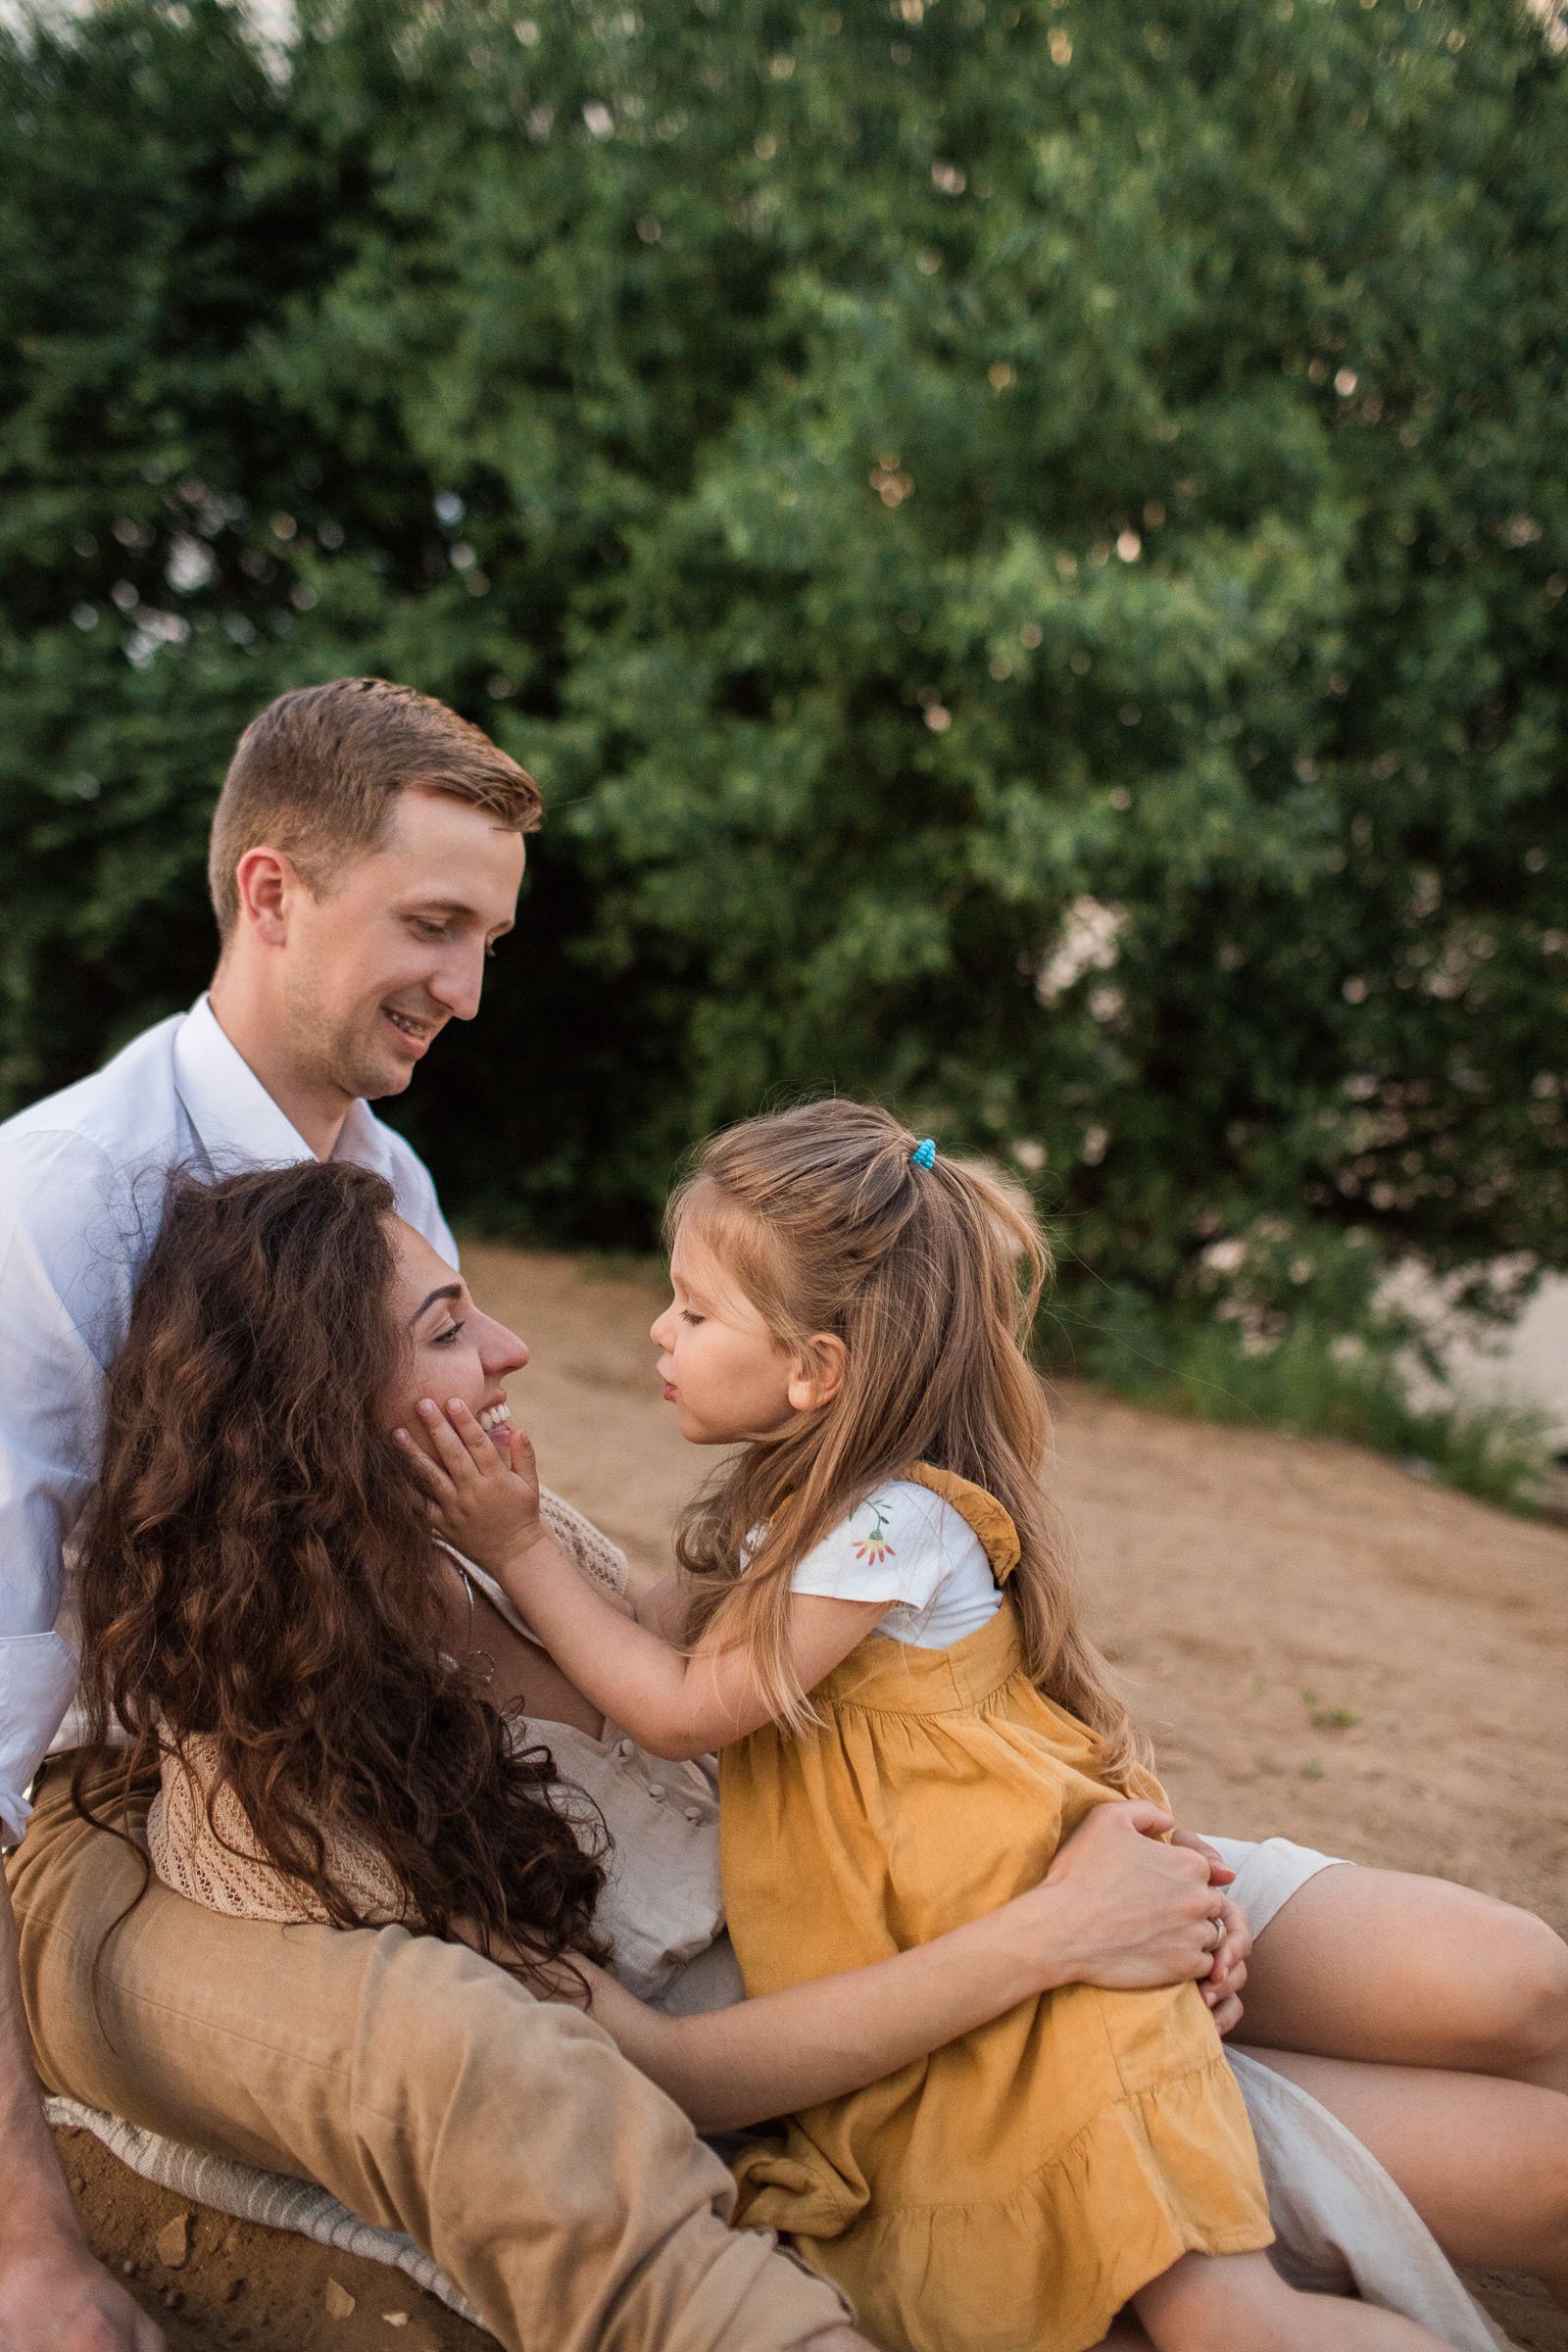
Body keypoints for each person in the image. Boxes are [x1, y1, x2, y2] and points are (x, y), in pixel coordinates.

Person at [0, 676, 1240, 2352]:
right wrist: (27, 2254)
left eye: (490, 939)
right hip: (106, 1811)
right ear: (271, 893)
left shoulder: (389, 1179)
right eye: (434, 926)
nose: (469, 991)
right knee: (488, 2061)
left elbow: (484, 1581)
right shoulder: (49, 1212)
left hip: (369, 1715)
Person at [415, 1100, 1568, 2352]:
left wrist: (518, 1548)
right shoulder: (790, 1505)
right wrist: (506, 1544)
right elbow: (647, 1634)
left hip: (1025, 1906)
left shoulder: (884, 1525)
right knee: (1228, 2317)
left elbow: (684, 1708)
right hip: (1000, 1933)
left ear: (815, 1371)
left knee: (1252, 2299)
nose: (660, 1329)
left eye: (694, 1311)